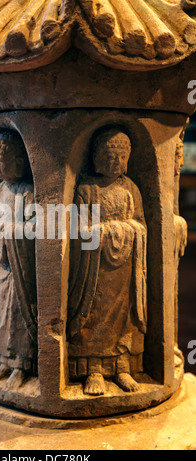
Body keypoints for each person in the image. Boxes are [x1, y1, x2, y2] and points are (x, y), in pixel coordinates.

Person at [68, 127, 147, 396]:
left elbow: (140, 225)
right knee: (92, 314)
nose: (115, 161)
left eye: (121, 156)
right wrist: (98, 232)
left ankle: (122, 367)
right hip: (94, 269)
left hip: (124, 270)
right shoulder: (87, 189)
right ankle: (94, 370)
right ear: (97, 157)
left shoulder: (130, 189)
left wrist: (125, 230)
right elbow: (78, 229)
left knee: (123, 319)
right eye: (110, 155)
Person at [0, 130, 37, 389]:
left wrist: (12, 231)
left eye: (2, 159)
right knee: (4, 315)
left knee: (19, 312)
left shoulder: (29, 192)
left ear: (18, 160)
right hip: (4, 266)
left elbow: (34, 228)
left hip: (22, 268)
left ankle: (22, 365)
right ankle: (4, 361)